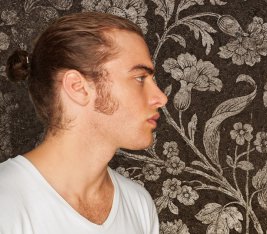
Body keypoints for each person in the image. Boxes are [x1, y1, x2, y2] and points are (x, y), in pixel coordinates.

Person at [0, 12, 168, 234]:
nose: (161, 98)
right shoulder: (6, 204)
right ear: (77, 87)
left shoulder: (138, 204)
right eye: (140, 78)